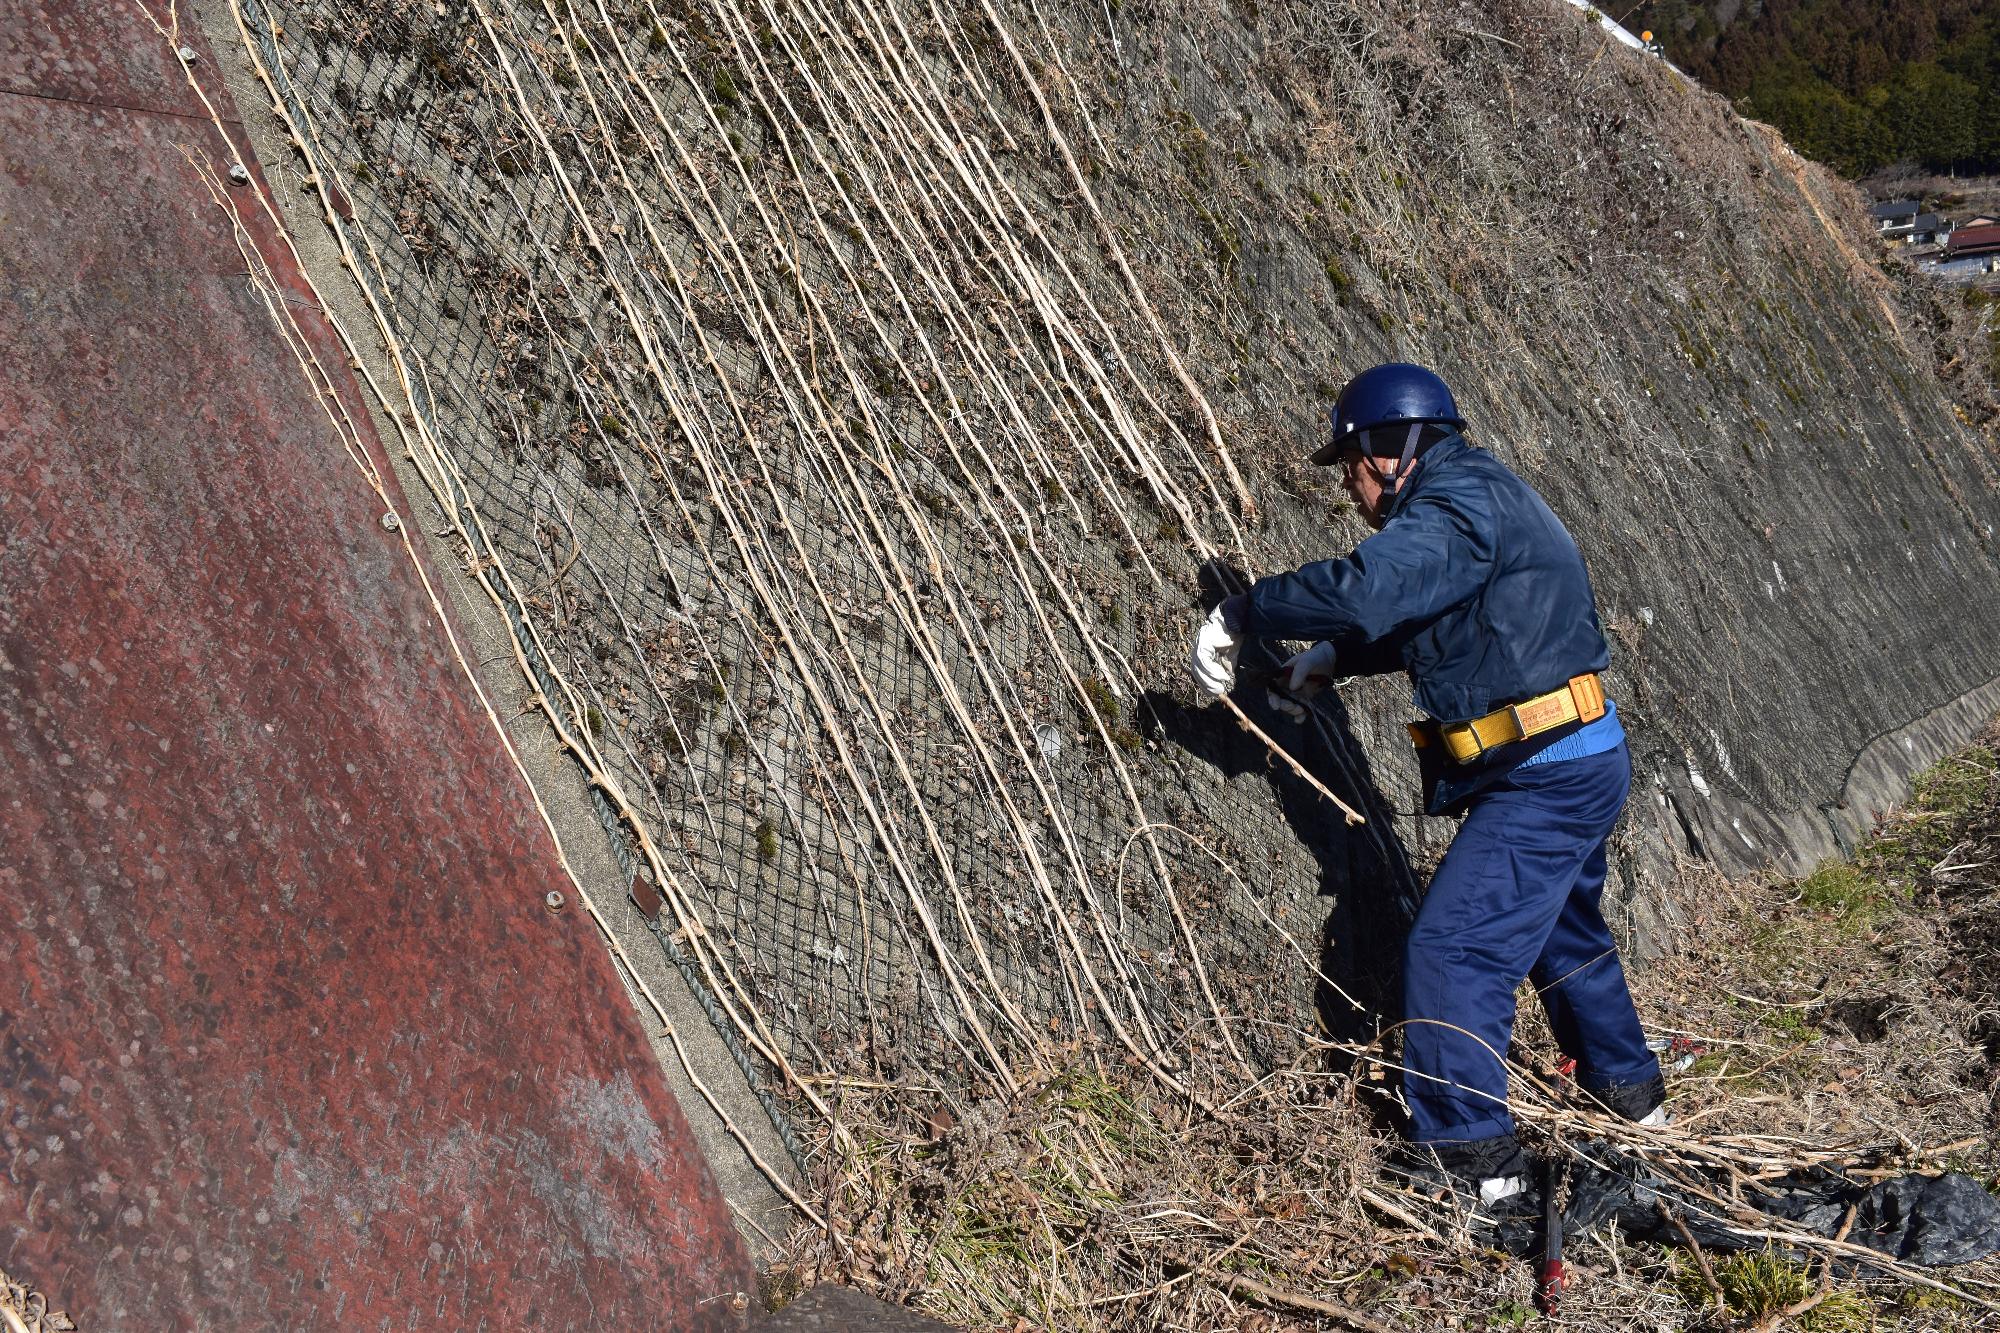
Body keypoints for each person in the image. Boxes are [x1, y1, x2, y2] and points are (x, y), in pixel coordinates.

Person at [1188, 363, 1664, 1207]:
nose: (1350, 487)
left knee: (1452, 951)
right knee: (1564, 939)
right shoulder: (1477, 497)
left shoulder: (1458, 505)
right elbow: (1435, 616)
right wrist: (1334, 657)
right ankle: (1630, 1100)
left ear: (1396, 450)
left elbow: (1376, 589)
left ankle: (1477, 1168)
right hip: (1573, 756)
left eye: (1353, 465)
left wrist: (1247, 610)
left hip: (1543, 777)